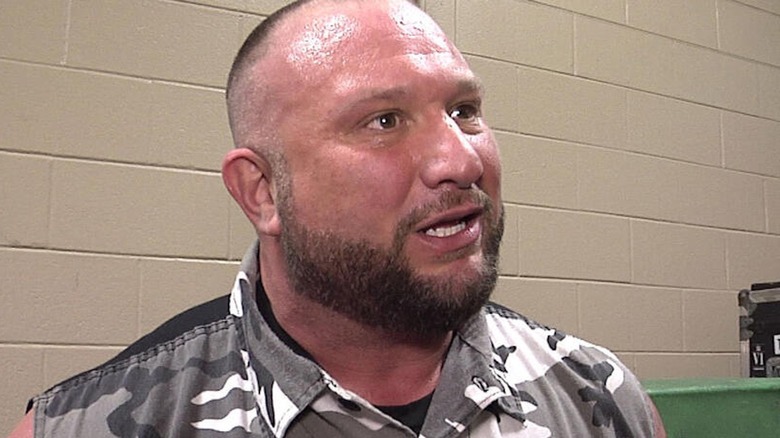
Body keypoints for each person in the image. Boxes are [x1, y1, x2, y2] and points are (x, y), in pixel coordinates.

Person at [9, 0, 666, 436]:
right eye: (383, 121)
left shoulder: (599, 399)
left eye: (464, 110)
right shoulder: (88, 424)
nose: (460, 160)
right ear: (261, 192)